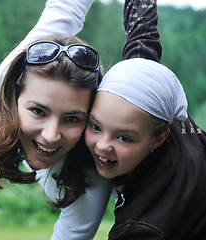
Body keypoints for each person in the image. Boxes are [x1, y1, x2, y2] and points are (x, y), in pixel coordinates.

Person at [0, 0, 166, 239]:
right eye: (39, 112)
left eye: (72, 119)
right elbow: (65, 8)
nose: (51, 136)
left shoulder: (89, 180)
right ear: (14, 97)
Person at [85, 58, 206, 239]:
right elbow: (141, 54)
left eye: (124, 138)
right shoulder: (161, 109)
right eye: (95, 126)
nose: (102, 145)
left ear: (158, 139)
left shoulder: (140, 228)